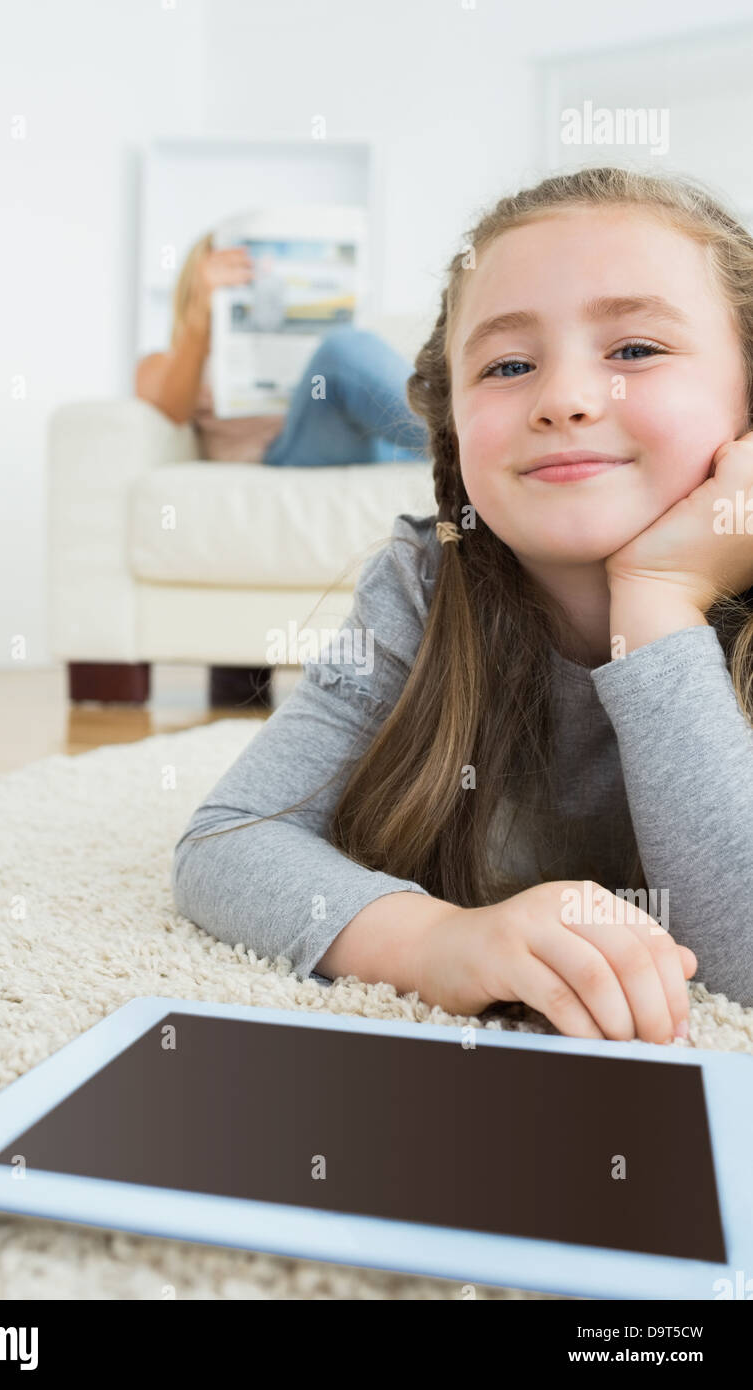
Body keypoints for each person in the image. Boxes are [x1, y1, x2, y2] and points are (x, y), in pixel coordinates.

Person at [172, 164, 753, 1040]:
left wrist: (661, 598)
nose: (562, 399)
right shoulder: (421, 584)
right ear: (451, 427)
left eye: (635, 350)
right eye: (509, 365)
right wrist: (437, 942)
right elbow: (228, 842)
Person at [135, 232, 431, 709]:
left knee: (345, 352)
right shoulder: (165, 362)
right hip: (287, 450)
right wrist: (201, 318)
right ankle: (467, 430)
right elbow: (170, 407)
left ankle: (456, 432)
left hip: (369, 441)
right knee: (341, 351)